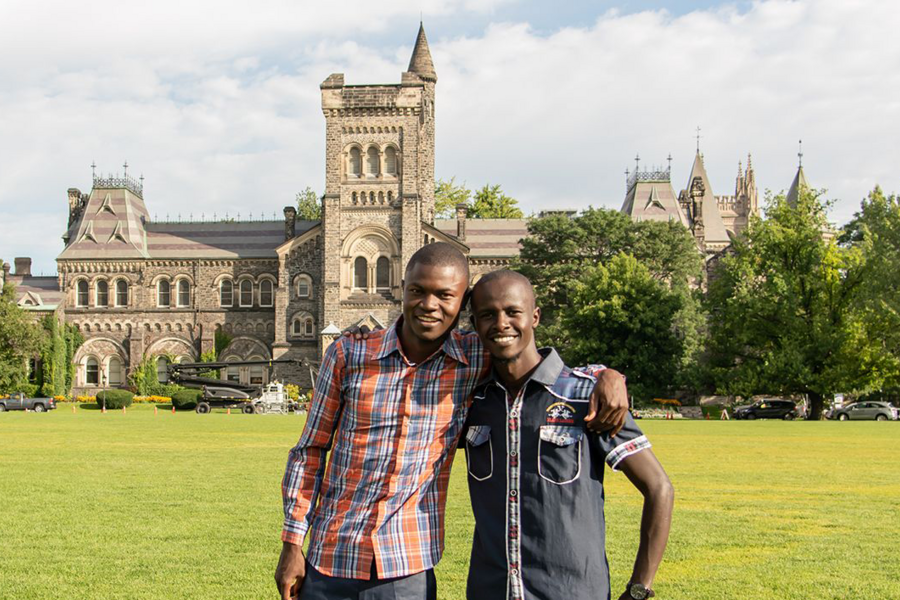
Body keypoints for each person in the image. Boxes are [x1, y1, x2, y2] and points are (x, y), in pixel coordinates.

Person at [275, 243, 630, 600]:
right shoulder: (349, 353)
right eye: (418, 291)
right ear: (402, 290)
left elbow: (537, 360)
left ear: (463, 306)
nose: (429, 305)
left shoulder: (475, 357)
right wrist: (292, 544)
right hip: (329, 558)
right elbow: (310, 451)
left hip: (404, 568)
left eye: (445, 295)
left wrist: (608, 375)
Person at [464, 270, 674, 600]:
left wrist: (639, 589)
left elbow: (659, 488)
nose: (501, 323)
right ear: (475, 324)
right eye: (487, 315)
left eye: (512, 312)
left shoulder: (585, 395)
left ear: (535, 316)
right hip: (492, 591)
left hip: (573, 591)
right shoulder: (470, 402)